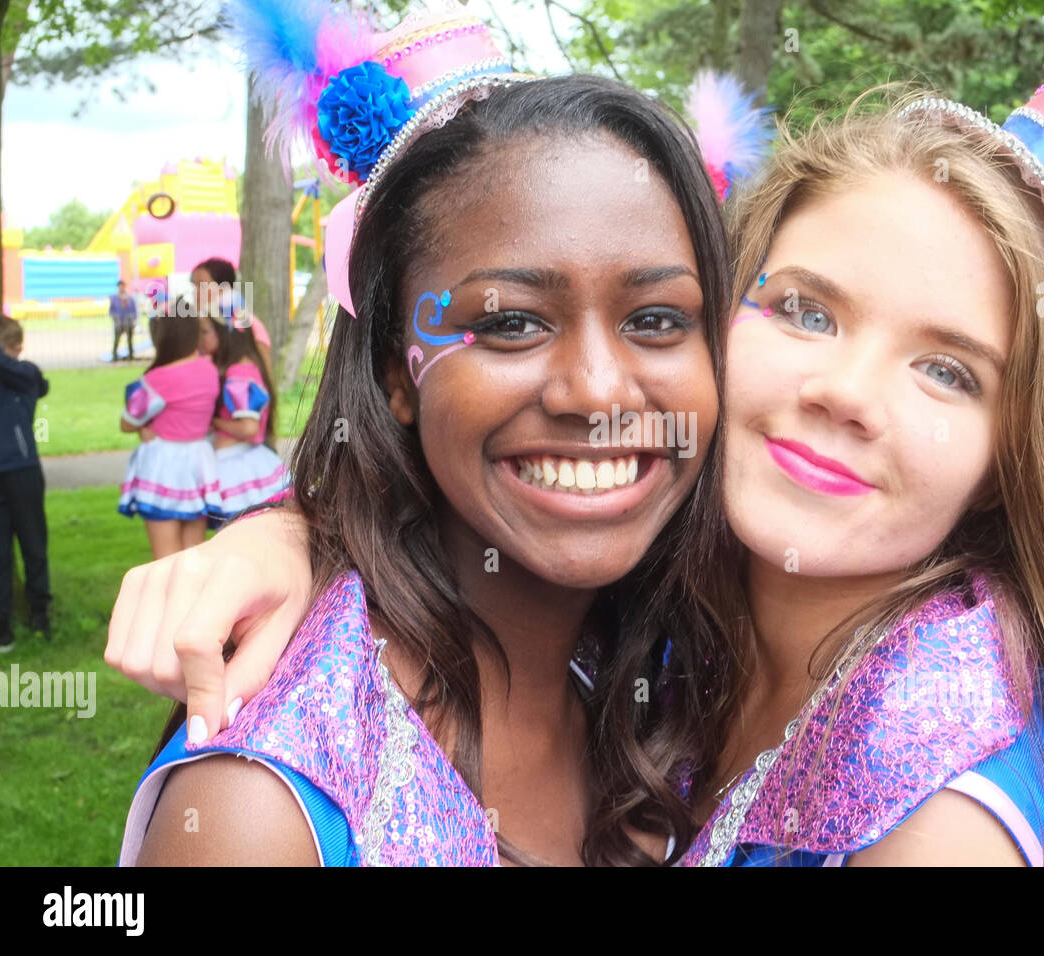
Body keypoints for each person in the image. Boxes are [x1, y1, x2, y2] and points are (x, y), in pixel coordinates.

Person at [112, 8, 1044, 869]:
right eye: (807, 309)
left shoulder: (936, 801)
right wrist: (296, 533)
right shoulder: (647, 631)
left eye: (947, 369)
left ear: (1010, 451)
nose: (845, 392)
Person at [114, 0, 732, 867]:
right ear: (398, 375)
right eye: (512, 323)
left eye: (658, 317)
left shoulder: (686, 663)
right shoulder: (260, 811)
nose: (597, 390)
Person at [117, 313, 222, 558]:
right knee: (193, 553)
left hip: (162, 465)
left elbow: (127, 422)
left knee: (166, 558)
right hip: (199, 461)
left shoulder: (157, 379)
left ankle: (172, 598)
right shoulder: (208, 369)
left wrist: (143, 428)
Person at [0, 316, 51, 651]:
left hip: (23, 471)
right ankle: (0, 629)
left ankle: (40, 614)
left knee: (33, 545)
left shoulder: (25, 373)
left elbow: (32, 379)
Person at [206, 319, 290, 524]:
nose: (201, 338)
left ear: (224, 335)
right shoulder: (248, 368)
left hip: (236, 467)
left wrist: (214, 422)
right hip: (244, 459)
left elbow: (249, 428)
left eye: (206, 331)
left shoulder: (238, 374)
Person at [190, 258, 272, 369]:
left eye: (202, 285)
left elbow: (264, 372)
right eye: (194, 286)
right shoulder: (196, 325)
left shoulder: (248, 325)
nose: (195, 292)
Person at [109, 280, 139, 362]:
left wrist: (133, 319)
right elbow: (111, 311)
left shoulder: (129, 298)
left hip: (128, 323)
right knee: (117, 340)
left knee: (129, 340)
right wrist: (115, 319)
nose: (121, 288)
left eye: (122, 286)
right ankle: (114, 356)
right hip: (119, 323)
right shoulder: (114, 298)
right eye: (120, 286)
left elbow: (134, 310)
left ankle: (131, 356)